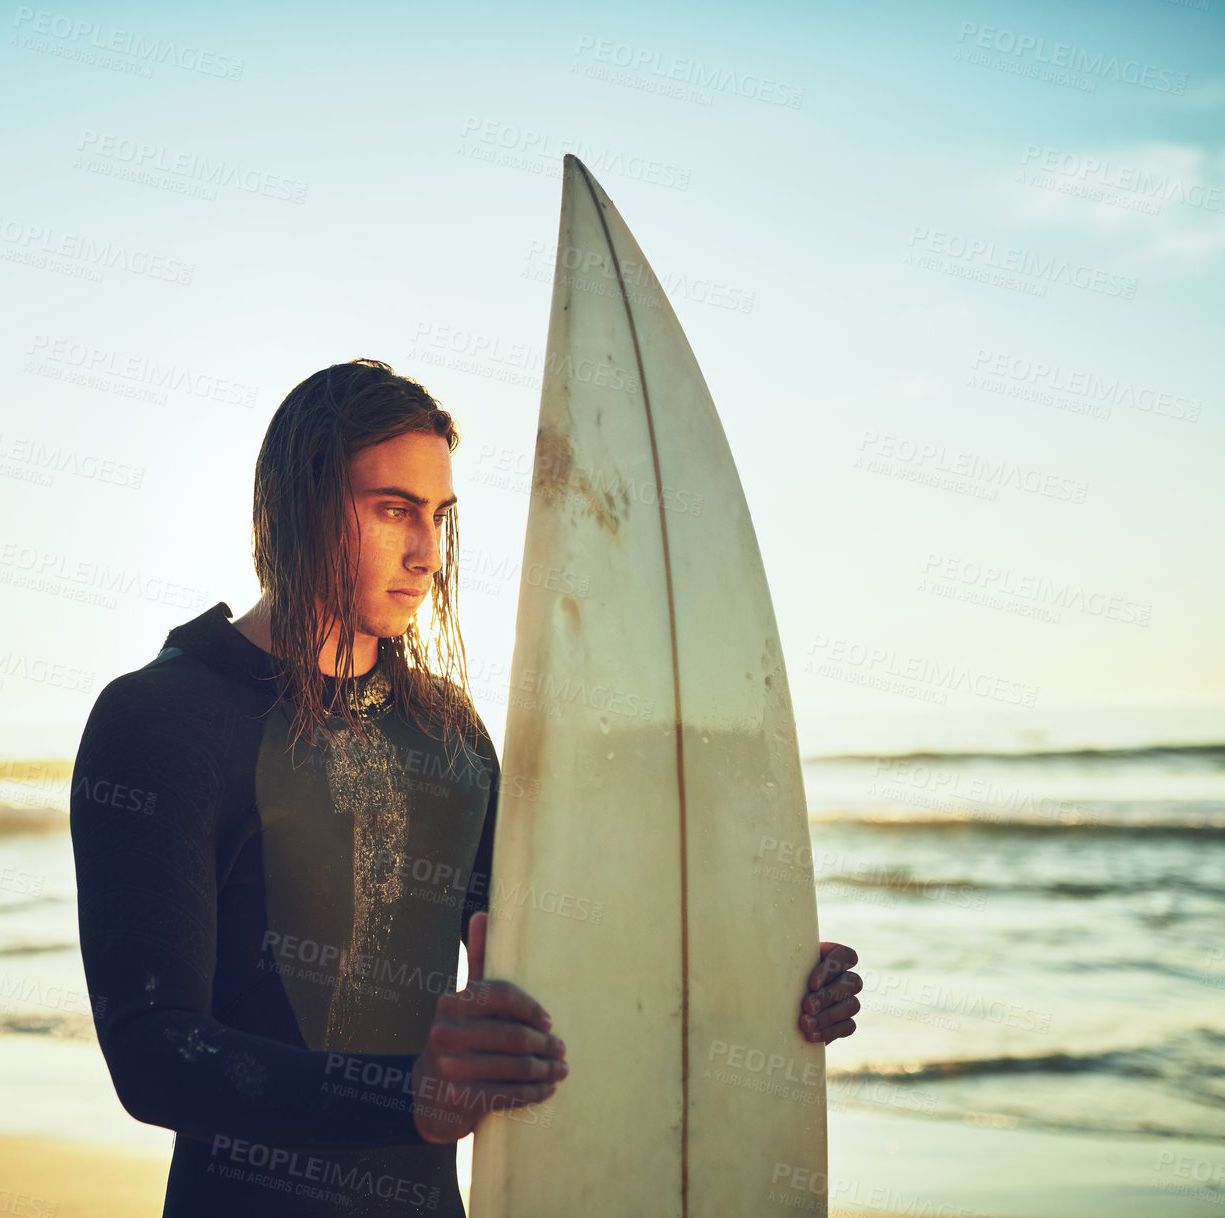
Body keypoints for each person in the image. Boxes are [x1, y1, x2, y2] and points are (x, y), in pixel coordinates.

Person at [68, 358, 861, 1217]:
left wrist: (759, 989)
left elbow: (562, 961)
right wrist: (411, 1095)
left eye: (439, 516)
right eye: (393, 510)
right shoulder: (161, 719)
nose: (427, 552)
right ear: (297, 509)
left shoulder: (447, 734)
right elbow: (152, 1052)